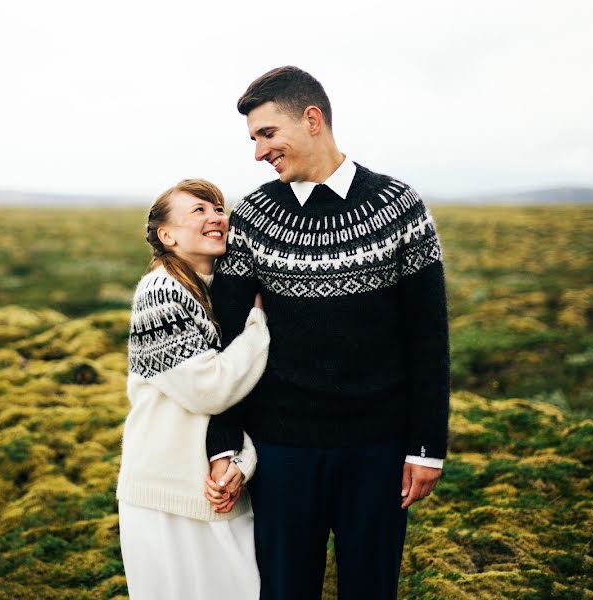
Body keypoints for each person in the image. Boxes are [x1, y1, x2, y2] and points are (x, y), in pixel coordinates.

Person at [204, 66, 451, 599]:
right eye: (252, 139)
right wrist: (223, 444)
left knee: (371, 588)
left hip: (378, 448)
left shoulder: (399, 206)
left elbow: (428, 337)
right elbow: (225, 337)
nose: (258, 152)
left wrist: (427, 446)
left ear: (312, 119)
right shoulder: (251, 217)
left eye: (267, 134)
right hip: (281, 447)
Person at [115, 178, 269, 599]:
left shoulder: (214, 293)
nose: (215, 217)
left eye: (218, 208)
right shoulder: (161, 292)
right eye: (197, 210)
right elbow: (211, 390)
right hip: (167, 497)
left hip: (215, 491)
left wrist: (241, 461)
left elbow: (242, 401)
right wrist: (259, 327)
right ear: (167, 235)